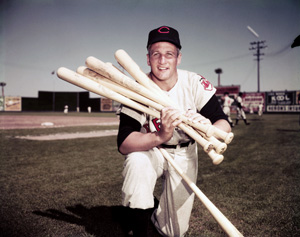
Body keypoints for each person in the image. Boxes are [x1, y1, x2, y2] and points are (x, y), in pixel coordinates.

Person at [117, 26, 231, 237]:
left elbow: (223, 124)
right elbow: (124, 143)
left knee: (174, 232)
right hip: (152, 149)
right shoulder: (136, 89)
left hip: (185, 152)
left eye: (169, 54)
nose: (162, 61)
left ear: (178, 58)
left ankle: (155, 215)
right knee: (137, 163)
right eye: (156, 54)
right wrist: (160, 136)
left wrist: (207, 128)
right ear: (148, 58)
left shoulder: (194, 82)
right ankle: (139, 228)